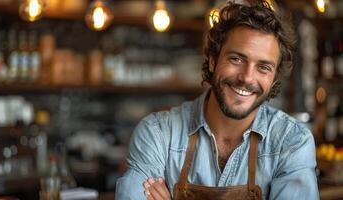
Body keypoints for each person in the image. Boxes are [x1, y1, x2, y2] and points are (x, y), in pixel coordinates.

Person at [115, 0, 319, 199]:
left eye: (263, 67)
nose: (247, 78)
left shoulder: (291, 142)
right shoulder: (158, 133)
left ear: (274, 78)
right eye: (236, 59)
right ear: (213, 60)